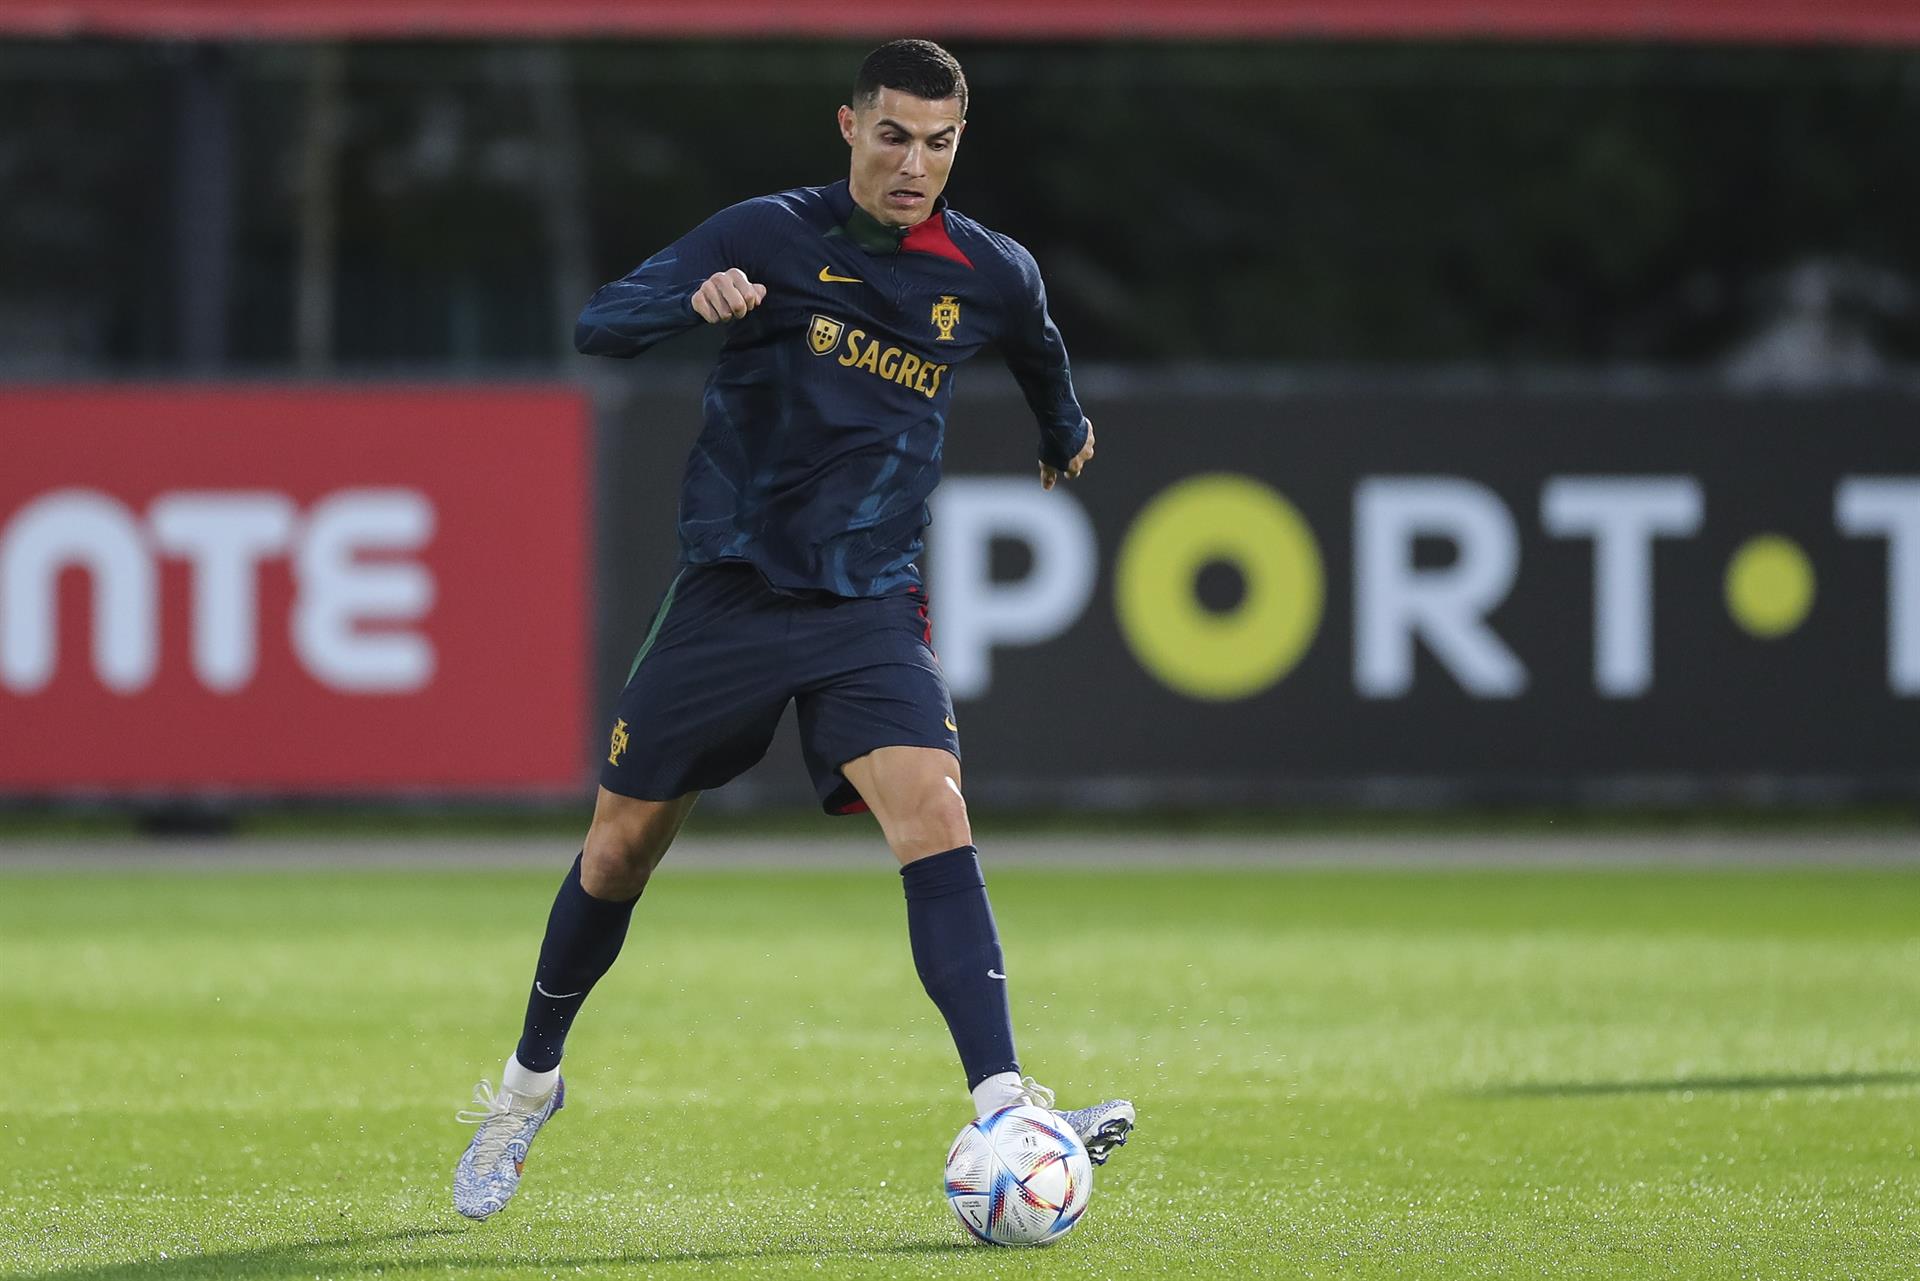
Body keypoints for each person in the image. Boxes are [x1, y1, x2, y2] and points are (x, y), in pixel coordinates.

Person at [453, 38, 1131, 1221]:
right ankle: (526, 1091)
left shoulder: (989, 270)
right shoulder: (765, 235)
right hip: (729, 592)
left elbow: (1039, 351)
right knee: (619, 853)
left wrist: (1062, 428)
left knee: (936, 812)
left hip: (868, 604)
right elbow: (600, 322)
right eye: (892, 136)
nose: (915, 163)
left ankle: (1006, 1103)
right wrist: (690, 298)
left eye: (939, 142)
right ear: (848, 126)